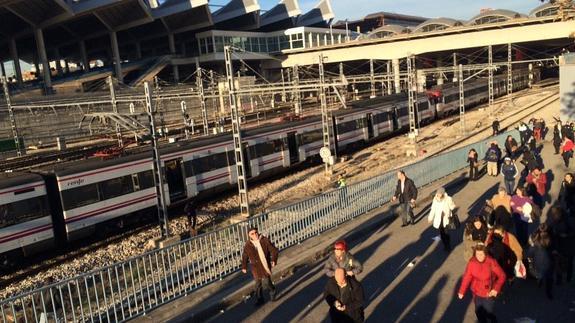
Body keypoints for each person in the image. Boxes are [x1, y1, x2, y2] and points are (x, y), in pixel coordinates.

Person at [458, 244, 506, 323]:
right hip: (476, 291)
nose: (479, 256)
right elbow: (467, 277)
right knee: (478, 312)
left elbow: (502, 275)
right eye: (477, 254)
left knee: (488, 311)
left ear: (485, 253)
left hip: (489, 292)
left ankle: (493, 319)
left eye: (481, 254)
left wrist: (496, 289)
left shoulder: (491, 262)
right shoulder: (472, 263)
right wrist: (461, 291)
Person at [241, 227, 279, 305]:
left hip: (265, 265)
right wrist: (244, 266)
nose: (255, 235)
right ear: (249, 235)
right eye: (252, 234)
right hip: (256, 268)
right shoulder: (248, 245)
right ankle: (260, 300)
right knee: (257, 285)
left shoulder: (264, 240)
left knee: (267, 282)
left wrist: (274, 260)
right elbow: (245, 256)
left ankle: (272, 292)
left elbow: (274, 250)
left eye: (256, 232)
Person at [547, 207, 575, 284]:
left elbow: (573, 232)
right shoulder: (554, 222)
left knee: (569, 263)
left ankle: (569, 277)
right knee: (558, 263)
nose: (553, 217)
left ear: (560, 214)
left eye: (555, 215)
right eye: (553, 215)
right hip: (559, 246)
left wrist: (566, 235)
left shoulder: (569, 221)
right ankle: (559, 280)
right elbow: (549, 231)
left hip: (569, 246)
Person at [527, 224, 553, 299]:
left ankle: (540, 281)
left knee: (540, 274)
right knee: (549, 279)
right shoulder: (551, 240)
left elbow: (530, 254)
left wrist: (531, 245)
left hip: (538, 264)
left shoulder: (535, 243)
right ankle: (549, 293)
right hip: (549, 264)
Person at [427, 187, 456, 251]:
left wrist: (452, 205)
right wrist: (430, 218)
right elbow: (433, 209)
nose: (438, 195)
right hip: (438, 219)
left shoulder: (448, 199)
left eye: (440, 193)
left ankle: (448, 245)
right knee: (442, 234)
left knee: (446, 233)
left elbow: (452, 207)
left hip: (446, 218)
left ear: (443, 193)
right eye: (437, 193)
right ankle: (445, 244)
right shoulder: (435, 199)